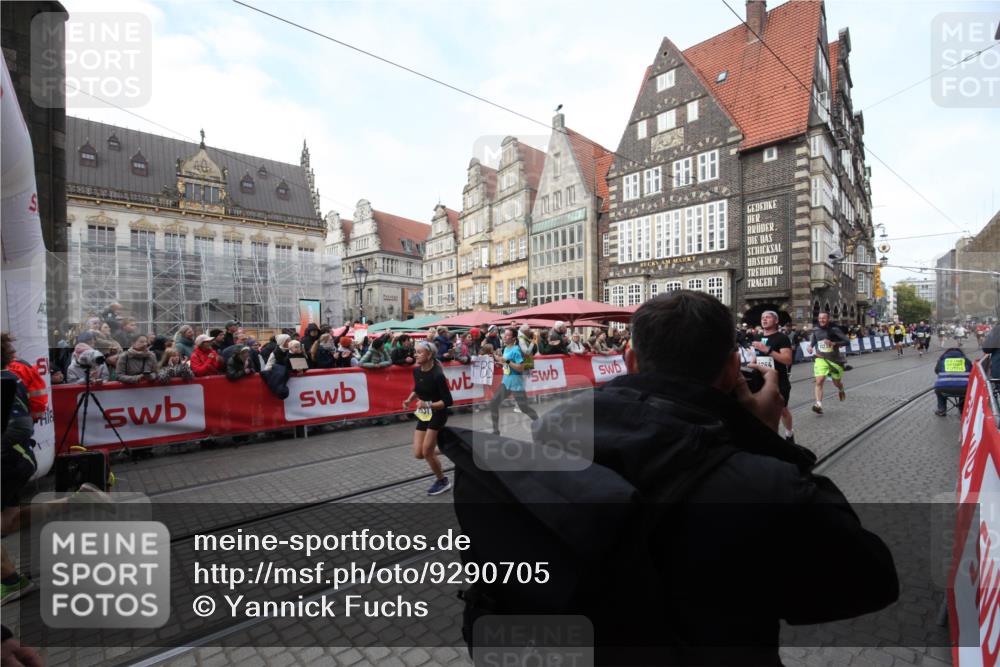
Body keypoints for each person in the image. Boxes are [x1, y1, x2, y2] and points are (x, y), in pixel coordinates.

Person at [519, 291, 899, 663]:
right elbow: (871, 581)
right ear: (734, 369)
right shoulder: (763, 482)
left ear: (629, 360)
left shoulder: (552, 434)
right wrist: (764, 440)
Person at [402, 340, 454, 496]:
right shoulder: (416, 371)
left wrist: (428, 404)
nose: (415, 354)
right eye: (415, 352)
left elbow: (448, 402)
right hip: (425, 414)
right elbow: (418, 388)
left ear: (429, 354)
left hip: (437, 413)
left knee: (427, 452)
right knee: (418, 453)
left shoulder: (438, 375)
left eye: (419, 352)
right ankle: (448, 448)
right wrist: (409, 399)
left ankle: (442, 481)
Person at [751, 311, 795, 441]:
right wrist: (751, 363)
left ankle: (789, 434)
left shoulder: (782, 338)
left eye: (768, 317)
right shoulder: (757, 337)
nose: (764, 320)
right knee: (760, 409)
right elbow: (757, 355)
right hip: (760, 379)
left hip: (778, 379)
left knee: (782, 409)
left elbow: (787, 360)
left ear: (776, 321)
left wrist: (768, 350)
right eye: (762, 317)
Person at [488, 327, 539, 434]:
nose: (504, 337)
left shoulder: (516, 350)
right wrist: (498, 360)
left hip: (516, 384)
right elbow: (506, 364)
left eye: (507, 335)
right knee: (493, 404)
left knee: (524, 408)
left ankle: (540, 422)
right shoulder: (506, 348)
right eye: (504, 335)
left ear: (514, 338)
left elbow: (520, 368)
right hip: (506, 383)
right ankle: (495, 431)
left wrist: (506, 361)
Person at [808, 312, 849, 414]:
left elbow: (847, 341)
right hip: (820, 358)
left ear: (828, 319)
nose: (821, 320)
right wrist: (810, 346)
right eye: (820, 318)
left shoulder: (834, 330)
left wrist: (833, 343)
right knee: (819, 381)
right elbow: (814, 341)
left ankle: (841, 388)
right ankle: (818, 404)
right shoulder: (816, 330)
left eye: (824, 318)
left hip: (834, 360)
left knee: (836, 382)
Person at [933, 347, 973, 416]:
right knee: (965, 389)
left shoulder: (941, 360)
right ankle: (962, 409)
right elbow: (972, 372)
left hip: (943, 388)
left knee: (938, 390)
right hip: (963, 389)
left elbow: (936, 371)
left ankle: (941, 409)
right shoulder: (966, 360)